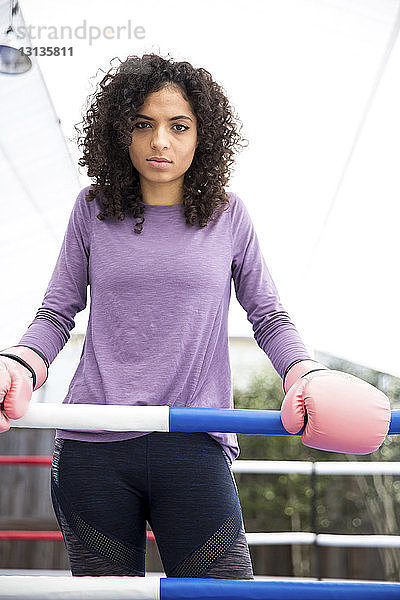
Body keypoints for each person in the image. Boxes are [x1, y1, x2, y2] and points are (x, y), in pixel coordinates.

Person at [0, 53, 390, 578]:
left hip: (193, 442)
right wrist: (19, 365)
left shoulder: (229, 214)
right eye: (144, 124)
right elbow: (56, 311)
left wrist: (306, 372)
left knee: (224, 592)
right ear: (121, 133)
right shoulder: (90, 209)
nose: (161, 141)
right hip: (94, 446)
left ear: (200, 135)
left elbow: (268, 315)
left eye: (178, 126)